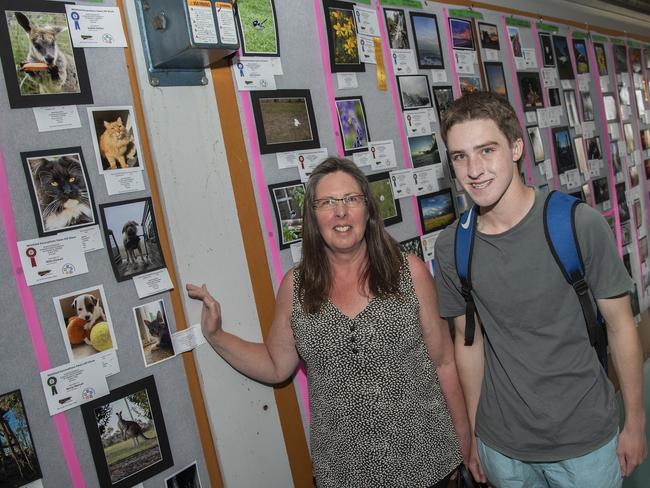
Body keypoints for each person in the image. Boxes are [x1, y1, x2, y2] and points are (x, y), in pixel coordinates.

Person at [187, 157, 470, 487]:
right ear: (313, 217)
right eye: (327, 203)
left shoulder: (409, 273)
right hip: (344, 471)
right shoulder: (296, 287)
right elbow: (276, 365)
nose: (341, 212)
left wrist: (463, 441)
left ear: (368, 210)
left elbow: (444, 361)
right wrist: (216, 335)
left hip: (427, 461)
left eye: (351, 199)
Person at [434, 91, 647, 487]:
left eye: (486, 150)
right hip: (503, 447)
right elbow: (469, 344)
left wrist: (634, 421)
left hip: (583, 441)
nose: (474, 169)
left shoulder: (577, 225)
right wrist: (479, 433)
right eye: (460, 156)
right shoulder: (452, 246)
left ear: (516, 147)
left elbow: (620, 327)